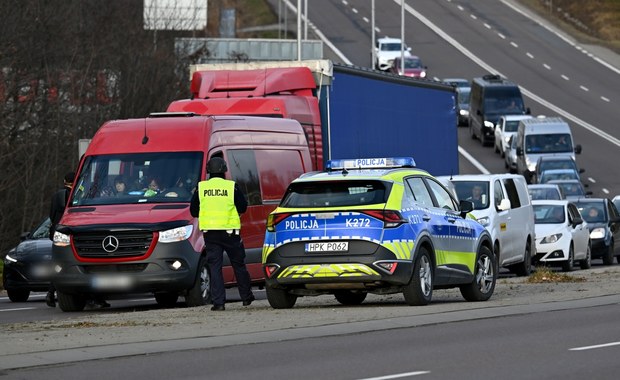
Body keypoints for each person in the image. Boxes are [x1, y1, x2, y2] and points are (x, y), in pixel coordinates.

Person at [189, 157, 255, 311]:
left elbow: (193, 210)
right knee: (238, 265)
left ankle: (219, 303)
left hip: (210, 234)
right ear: (224, 170)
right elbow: (243, 207)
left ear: (208, 171)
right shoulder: (232, 187)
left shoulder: (201, 188)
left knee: (215, 267)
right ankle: (246, 297)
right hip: (230, 233)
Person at [46, 172, 75, 307]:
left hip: (57, 231)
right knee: (71, 262)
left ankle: (51, 293)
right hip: (68, 232)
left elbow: (52, 215)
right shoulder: (74, 195)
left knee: (57, 263)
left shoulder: (56, 195)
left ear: (64, 180)